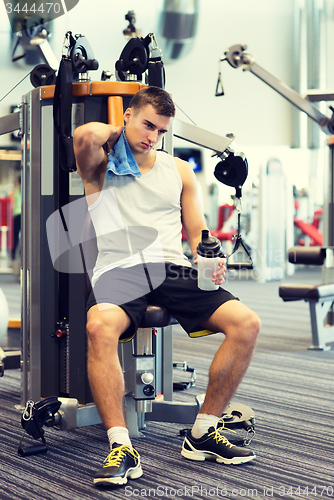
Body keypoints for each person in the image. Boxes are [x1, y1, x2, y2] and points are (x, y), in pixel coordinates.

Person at [73, 86, 261, 487]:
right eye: (146, 125)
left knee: (246, 323)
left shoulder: (178, 170)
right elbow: (85, 135)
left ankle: (202, 432)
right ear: (127, 116)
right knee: (98, 327)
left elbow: (197, 232)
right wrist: (122, 139)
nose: (152, 136)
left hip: (170, 268)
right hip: (120, 269)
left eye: (160, 131)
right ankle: (121, 445)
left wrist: (208, 256)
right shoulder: (101, 165)